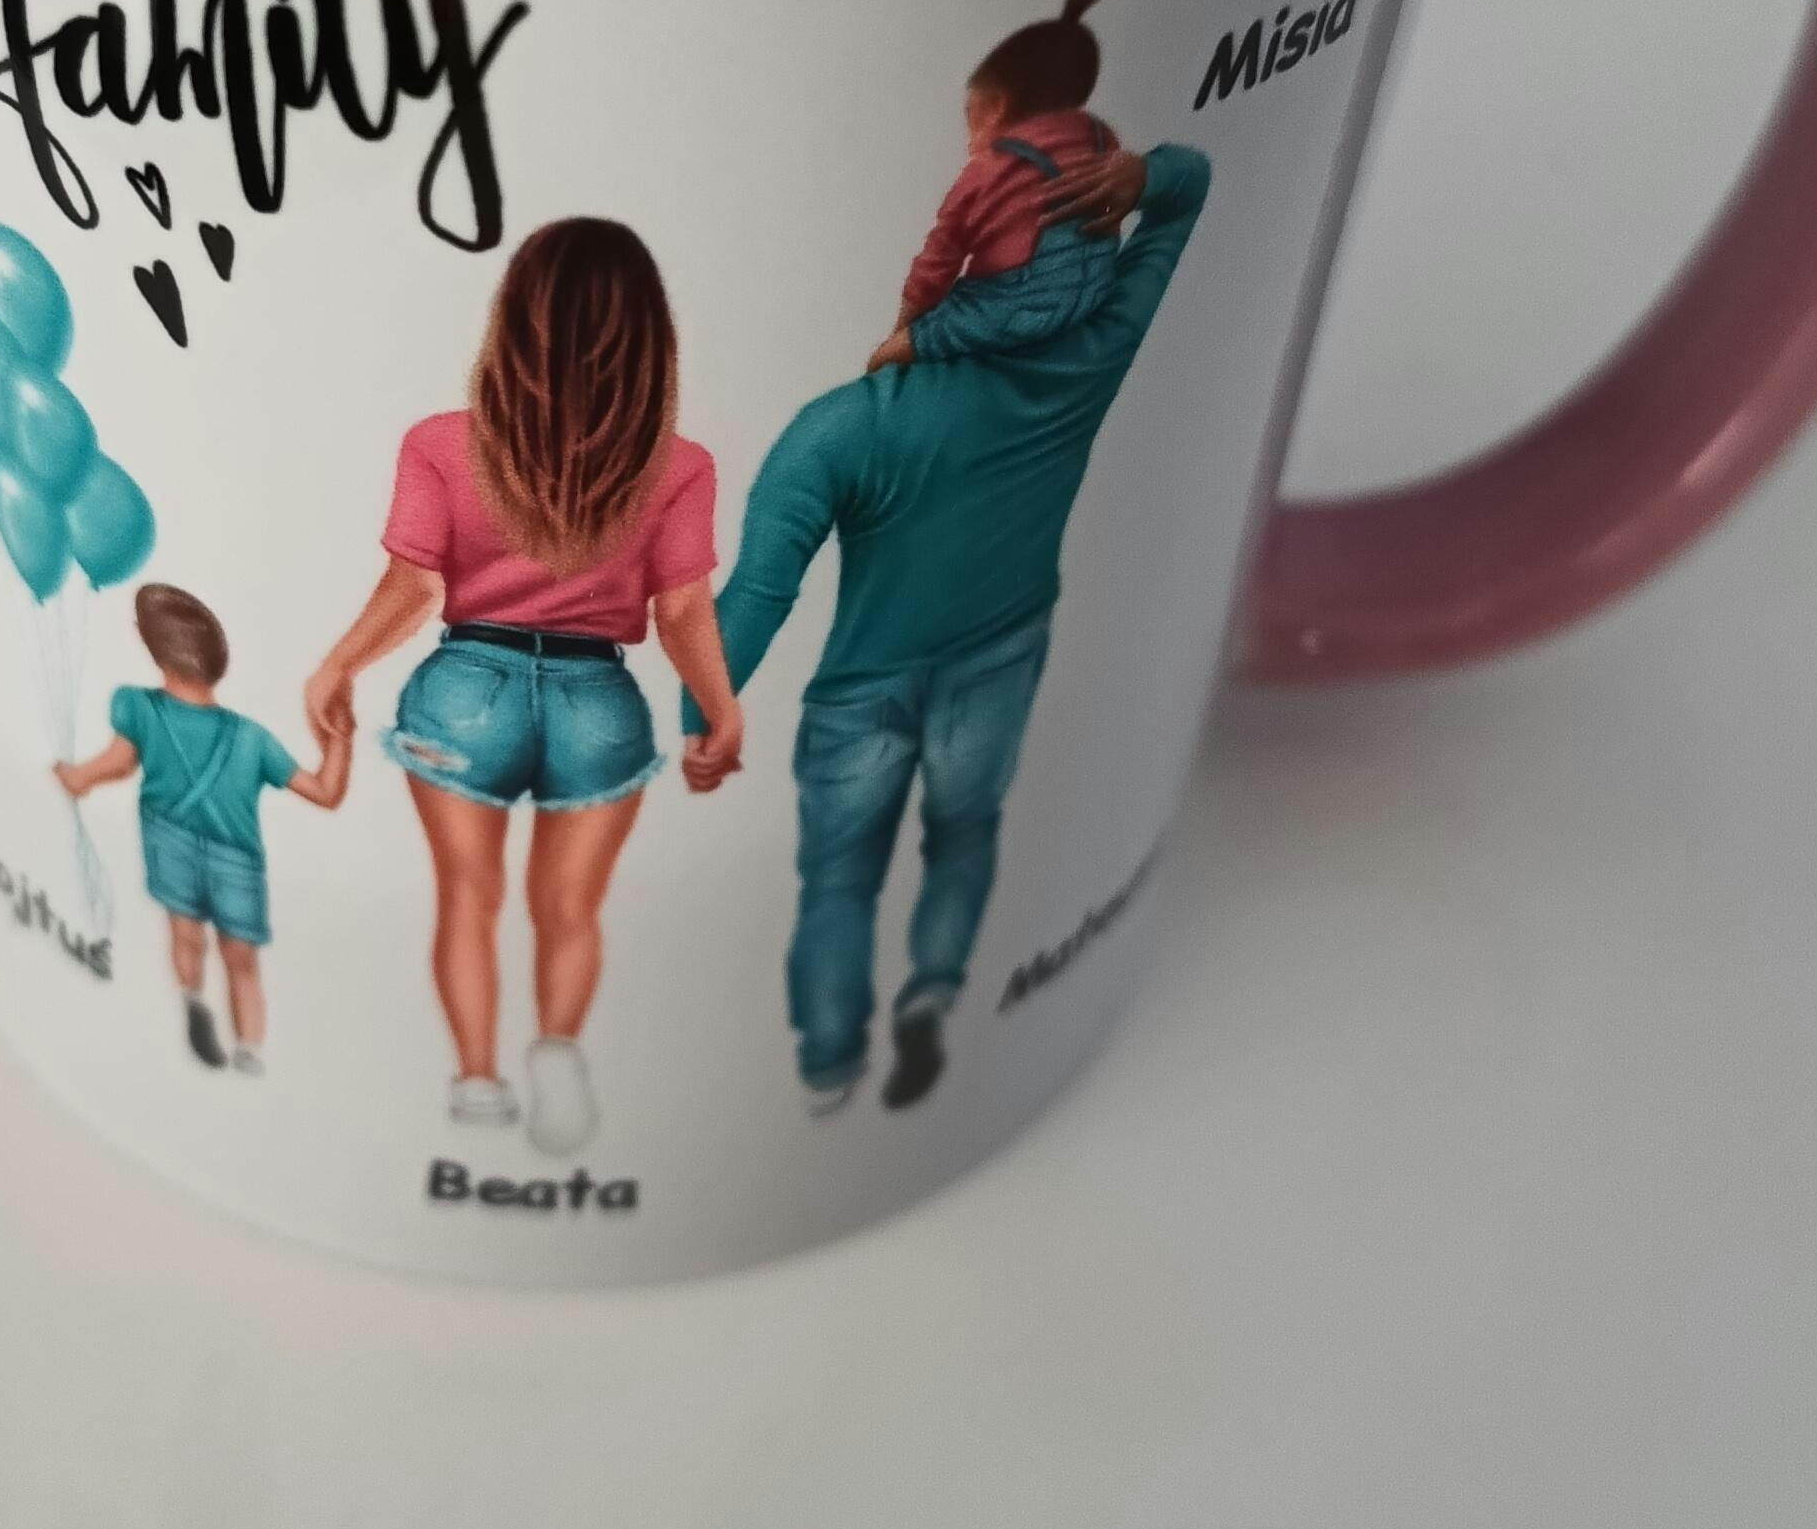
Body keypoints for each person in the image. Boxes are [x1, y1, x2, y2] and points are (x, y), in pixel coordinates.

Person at [703, 138, 1210, 1114]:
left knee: (838, 881)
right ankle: (934, 989)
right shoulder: (1093, 357)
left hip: (862, 689)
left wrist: (699, 716)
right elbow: (1188, 195)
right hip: (1002, 655)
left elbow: (759, 597)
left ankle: (829, 1062)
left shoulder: (844, 423)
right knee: (966, 829)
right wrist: (1145, 180)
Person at [307, 219, 743, 1155]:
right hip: (599, 700)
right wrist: (721, 710)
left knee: (467, 897)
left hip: (465, 684)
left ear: (514, 316)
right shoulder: (678, 467)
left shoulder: (441, 445)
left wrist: (338, 665)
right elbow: (682, 612)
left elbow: (414, 586)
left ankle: (474, 1083)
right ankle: (556, 1055)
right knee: (570, 910)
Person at [58, 581, 349, 1074]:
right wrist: (341, 738)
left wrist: (77, 777)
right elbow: (324, 792)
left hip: (168, 836)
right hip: (236, 857)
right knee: (241, 958)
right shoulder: (251, 738)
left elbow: (118, 763)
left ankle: (193, 1000)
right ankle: (248, 1049)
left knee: (185, 932)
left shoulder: (139, 707)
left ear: (154, 649)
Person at [869, 0, 1127, 372]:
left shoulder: (988, 170)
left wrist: (904, 328)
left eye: (969, 116)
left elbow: (937, 263)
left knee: (892, 353)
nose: (968, 138)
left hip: (1017, 311)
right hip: (1093, 290)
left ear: (995, 107)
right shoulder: (1100, 137)